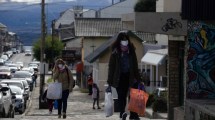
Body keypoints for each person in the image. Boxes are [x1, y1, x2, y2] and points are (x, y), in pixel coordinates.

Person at [107, 32, 141, 120]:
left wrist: (138, 78)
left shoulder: (131, 50)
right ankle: (122, 113)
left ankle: (134, 115)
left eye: (126, 39)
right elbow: (111, 67)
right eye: (123, 39)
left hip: (131, 77)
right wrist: (109, 81)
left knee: (133, 96)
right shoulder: (115, 52)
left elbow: (135, 64)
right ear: (119, 40)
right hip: (119, 78)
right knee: (121, 96)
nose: (124, 41)